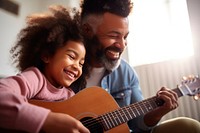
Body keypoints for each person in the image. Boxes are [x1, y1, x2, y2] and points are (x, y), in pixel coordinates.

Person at [77, 0, 200, 133]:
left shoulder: (126, 72)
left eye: (125, 37)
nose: (122, 45)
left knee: (188, 126)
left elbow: (138, 125)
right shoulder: (64, 68)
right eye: (113, 36)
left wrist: (159, 111)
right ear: (87, 30)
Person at [0, 5, 90, 133]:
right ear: (46, 55)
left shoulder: (70, 96)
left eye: (81, 63)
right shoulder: (35, 78)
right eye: (71, 56)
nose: (77, 66)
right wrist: (46, 119)